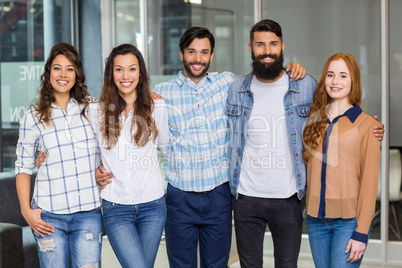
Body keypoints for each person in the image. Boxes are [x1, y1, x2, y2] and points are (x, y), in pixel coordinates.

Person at [91, 27, 302, 268]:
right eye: (191, 52)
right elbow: (146, 139)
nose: (198, 59)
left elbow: (265, 75)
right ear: (181, 54)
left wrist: (293, 69)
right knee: (182, 265)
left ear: (212, 56)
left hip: (218, 195)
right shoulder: (162, 95)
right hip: (180, 197)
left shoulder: (229, 84)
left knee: (217, 264)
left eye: (204, 52)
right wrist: (100, 165)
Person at [226, 19, 384, 268]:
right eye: (260, 44)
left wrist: (371, 127)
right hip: (265, 202)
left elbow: (369, 180)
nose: (267, 50)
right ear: (250, 48)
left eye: (273, 44)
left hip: (295, 200)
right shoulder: (236, 89)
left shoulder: (304, 86)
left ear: (282, 46)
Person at [15, 42, 102, 268]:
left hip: (88, 214)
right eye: (57, 68)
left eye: (70, 68)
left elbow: (124, 111)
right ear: (48, 73)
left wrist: (150, 95)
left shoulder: (92, 109)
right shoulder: (32, 117)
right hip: (49, 215)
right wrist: (27, 212)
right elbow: (23, 167)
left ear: (77, 74)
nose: (63, 74)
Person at [88, 44, 169, 268]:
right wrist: (42, 153)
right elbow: (86, 150)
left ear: (140, 72)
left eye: (132, 69)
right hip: (116, 208)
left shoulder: (157, 106)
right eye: (119, 69)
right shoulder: (97, 111)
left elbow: (169, 149)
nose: (126, 76)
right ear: (110, 74)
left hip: (153, 206)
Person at [302, 53, 380, 268]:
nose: (336, 81)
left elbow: (369, 182)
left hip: (348, 222)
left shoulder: (367, 126)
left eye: (343, 76)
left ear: (353, 81)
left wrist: (362, 231)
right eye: (330, 75)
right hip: (315, 220)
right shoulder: (313, 118)